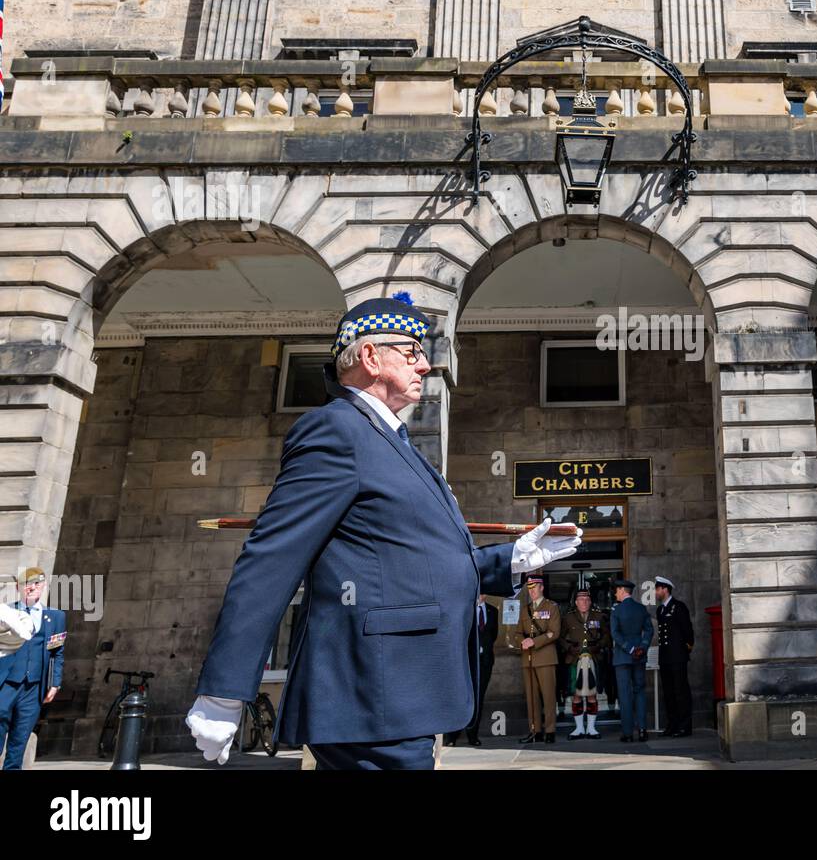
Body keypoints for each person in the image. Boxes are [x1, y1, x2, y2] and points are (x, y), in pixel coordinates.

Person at [185, 294, 581, 769]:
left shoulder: (393, 442)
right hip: (371, 692)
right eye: (413, 351)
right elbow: (273, 556)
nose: (426, 366)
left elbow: (410, 562)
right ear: (371, 357)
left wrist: (512, 558)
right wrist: (224, 689)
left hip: (400, 696)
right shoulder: (335, 431)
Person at [0, 568, 66, 770]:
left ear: (43, 585)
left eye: (37, 583)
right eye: (27, 583)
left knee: (20, 738)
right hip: (6, 683)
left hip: (33, 687)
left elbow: (58, 652)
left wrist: (55, 683)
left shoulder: (55, 617)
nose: (32, 587)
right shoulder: (7, 612)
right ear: (19, 587)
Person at [445, 594, 498, 747]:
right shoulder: (465, 609)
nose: (480, 594)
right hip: (466, 661)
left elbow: (493, 635)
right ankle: (452, 736)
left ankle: (472, 735)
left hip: (485, 662)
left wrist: (483, 648)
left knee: (478, 699)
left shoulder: (492, 611)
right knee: (460, 696)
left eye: (483, 591)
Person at [560, 587, 611, 739]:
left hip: (593, 659)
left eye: (587, 599)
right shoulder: (567, 618)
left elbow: (607, 636)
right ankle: (579, 728)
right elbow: (560, 637)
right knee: (576, 694)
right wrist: (569, 648)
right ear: (576, 602)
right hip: (575, 659)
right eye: (581, 600)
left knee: (592, 694)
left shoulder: (599, 616)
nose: (584, 602)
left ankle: (591, 728)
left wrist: (599, 646)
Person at [518, 574, 562, 744]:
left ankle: (550, 730)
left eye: (534, 588)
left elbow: (554, 632)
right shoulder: (524, 609)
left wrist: (533, 641)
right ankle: (534, 730)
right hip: (527, 659)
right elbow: (517, 633)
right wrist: (521, 641)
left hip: (546, 658)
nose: (532, 592)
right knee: (531, 698)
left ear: (541, 587)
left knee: (549, 696)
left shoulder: (551, 607)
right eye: (529, 589)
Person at [610, 578, 653, 743]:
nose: (615, 593)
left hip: (623, 657)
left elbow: (615, 634)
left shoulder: (616, 610)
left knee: (625, 694)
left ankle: (627, 733)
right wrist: (641, 646)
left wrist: (629, 648)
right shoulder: (641, 608)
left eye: (616, 590)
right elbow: (649, 630)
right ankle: (642, 730)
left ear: (622, 590)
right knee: (640, 692)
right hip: (639, 657)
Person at [653, 576, 694, 737]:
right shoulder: (661, 609)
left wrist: (685, 649)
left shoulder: (678, 607)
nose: (656, 592)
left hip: (678, 656)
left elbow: (688, 632)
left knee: (680, 691)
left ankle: (685, 726)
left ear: (665, 589)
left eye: (657, 589)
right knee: (668, 692)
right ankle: (673, 724)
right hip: (665, 658)